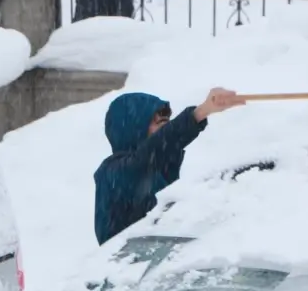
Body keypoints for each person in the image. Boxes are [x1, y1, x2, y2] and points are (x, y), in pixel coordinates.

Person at [94, 87, 246, 245]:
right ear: (132, 128)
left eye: (167, 123)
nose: (164, 128)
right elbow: (156, 148)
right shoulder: (114, 171)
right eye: (159, 123)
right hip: (125, 268)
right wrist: (201, 112)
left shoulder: (160, 170)